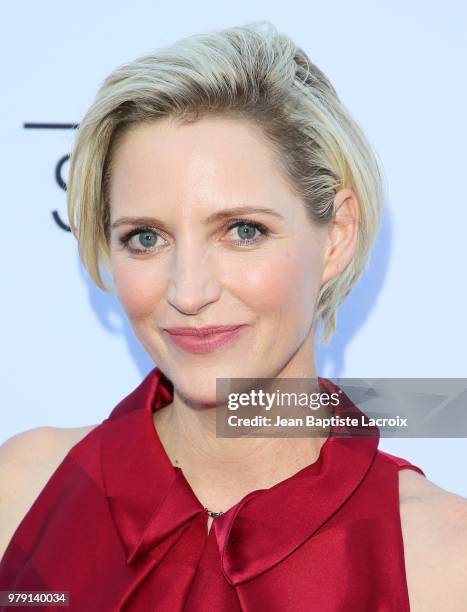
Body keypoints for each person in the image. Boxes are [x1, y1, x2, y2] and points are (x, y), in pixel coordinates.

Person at [1, 20, 466, 611]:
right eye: (145, 237)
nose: (188, 291)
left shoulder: (443, 558)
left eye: (243, 231)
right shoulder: (24, 494)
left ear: (336, 237)